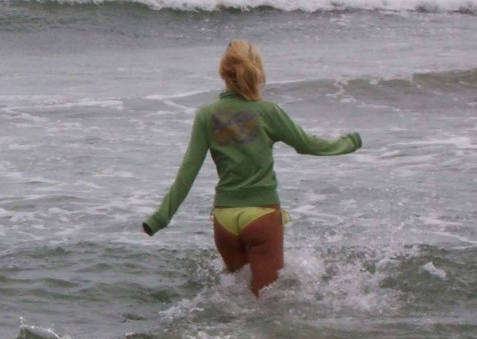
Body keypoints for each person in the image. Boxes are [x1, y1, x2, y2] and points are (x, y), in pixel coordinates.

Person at [142, 40, 362, 295]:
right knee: (265, 306)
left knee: (236, 298)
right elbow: (309, 145)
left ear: (223, 73)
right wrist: (349, 142)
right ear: (257, 71)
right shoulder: (268, 111)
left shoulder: (207, 115)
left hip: (224, 220)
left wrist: (159, 219)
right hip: (261, 217)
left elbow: (187, 174)